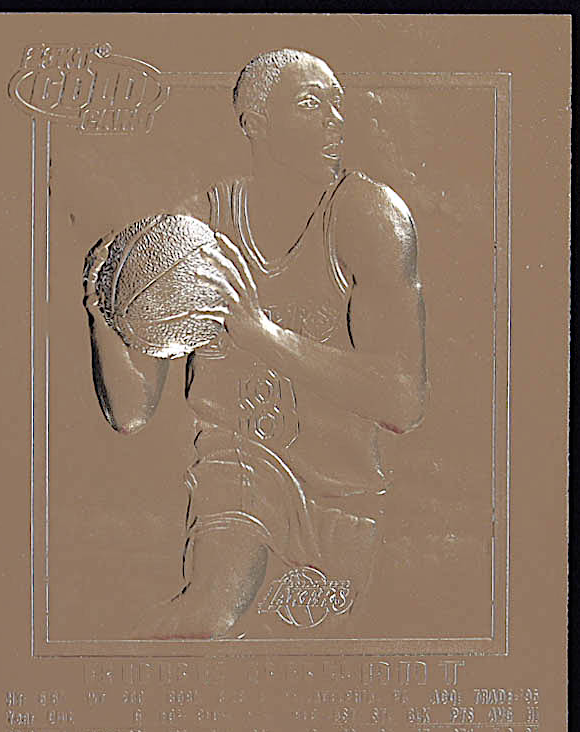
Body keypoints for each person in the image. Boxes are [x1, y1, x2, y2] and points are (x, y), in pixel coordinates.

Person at [83, 48, 427, 639]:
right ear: (256, 121)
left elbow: (403, 399)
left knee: (317, 652)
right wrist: (101, 316)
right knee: (209, 616)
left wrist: (261, 335)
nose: (336, 121)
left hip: (341, 491)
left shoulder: (370, 217)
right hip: (237, 471)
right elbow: (132, 411)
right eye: (311, 104)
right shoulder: (195, 233)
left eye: (338, 106)